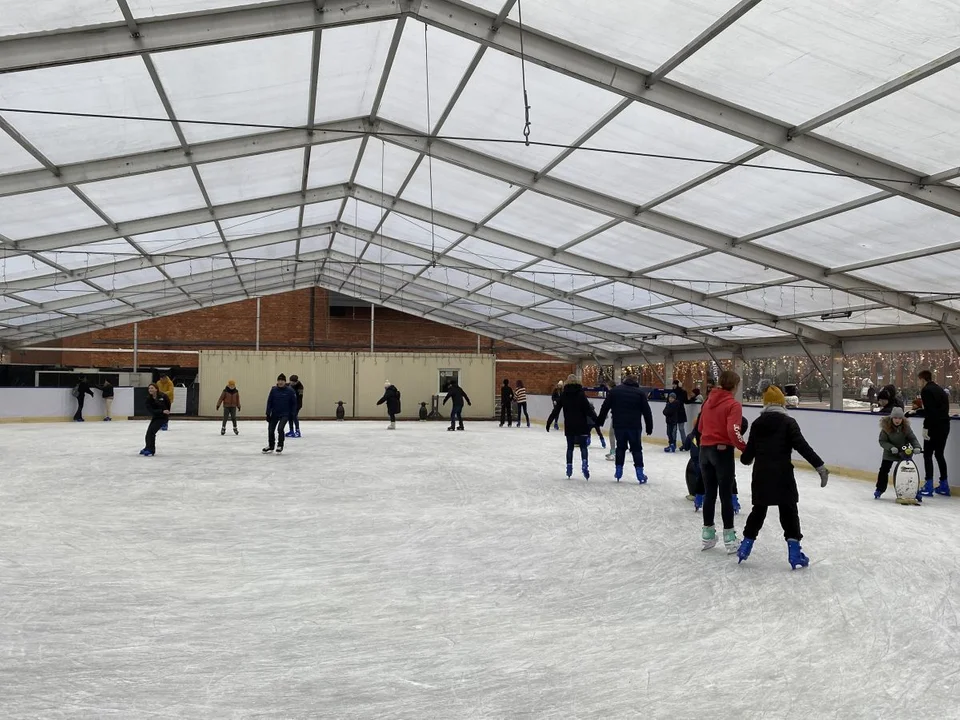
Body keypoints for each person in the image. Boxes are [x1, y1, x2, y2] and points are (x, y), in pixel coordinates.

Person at [736, 384, 829, 569]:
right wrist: (820, 466)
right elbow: (803, 446)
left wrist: (744, 457)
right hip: (783, 474)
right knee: (788, 511)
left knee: (759, 510)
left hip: (761, 474)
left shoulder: (757, 424)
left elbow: (747, 457)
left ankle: (745, 547)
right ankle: (794, 553)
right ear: (782, 403)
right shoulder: (788, 423)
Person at [696, 369, 747, 553]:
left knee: (710, 493)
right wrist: (745, 449)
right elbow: (733, 431)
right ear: (734, 385)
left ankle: (708, 535)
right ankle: (730, 537)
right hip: (722, 452)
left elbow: (700, 427)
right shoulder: (733, 405)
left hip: (704, 450)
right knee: (725, 495)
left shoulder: (708, 401)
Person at [595, 373, 654, 483]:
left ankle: (618, 471)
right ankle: (640, 474)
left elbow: (605, 406)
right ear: (636, 382)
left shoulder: (615, 391)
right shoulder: (640, 393)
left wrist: (600, 421)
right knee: (636, 449)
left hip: (619, 425)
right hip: (634, 426)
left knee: (620, 448)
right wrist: (649, 427)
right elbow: (647, 411)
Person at [546, 375, 600, 480]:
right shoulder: (581, 394)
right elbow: (589, 410)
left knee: (570, 448)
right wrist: (597, 420)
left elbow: (556, 409)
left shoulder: (564, 395)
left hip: (570, 425)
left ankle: (569, 467)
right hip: (582, 424)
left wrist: (549, 421)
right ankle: (584, 464)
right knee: (583, 447)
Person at [875, 407, 921, 500]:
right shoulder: (886, 428)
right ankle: (880, 489)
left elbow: (913, 438)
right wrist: (891, 447)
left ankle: (914, 491)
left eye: (900, 418)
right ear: (891, 418)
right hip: (890, 453)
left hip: (904, 452)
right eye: (895, 418)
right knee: (884, 470)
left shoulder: (906, 428)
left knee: (909, 471)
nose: (897, 420)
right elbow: (882, 441)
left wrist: (917, 447)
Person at [918, 370, 951, 496]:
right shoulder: (940, 389)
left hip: (933, 427)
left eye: (919, 380)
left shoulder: (926, 391)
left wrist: (926, 428)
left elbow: (930, 412)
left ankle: (929, 485)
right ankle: (944, 484)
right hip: (944, 426)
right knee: (939, 454)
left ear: (922, 379)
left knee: (927, 454)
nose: (919, 383)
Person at [263, 374, 296, 453]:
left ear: (285, 382)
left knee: (280, 428)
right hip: (275, 413)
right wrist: (268, 413)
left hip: (285, 414)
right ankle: (271, 446)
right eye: (279, 380)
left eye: (282, 381)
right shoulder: (274, 390)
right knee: (270, 430)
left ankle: (280, 445)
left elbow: (294, 403)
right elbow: (269, 401)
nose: (280, 382)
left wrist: (292, 414)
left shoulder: (290, 391)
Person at [140, 383, 170, 457]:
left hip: (162, 418)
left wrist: (166, 412)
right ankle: (147, 447)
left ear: (156, 389)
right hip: (156, 417)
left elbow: (168, 405)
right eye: (149, 388)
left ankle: (151, 450)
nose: (150, 389)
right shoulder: (148, 399)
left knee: (151, 432)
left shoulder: (163, 396)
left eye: (152, 388)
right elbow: (151, 410)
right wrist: (161, 411)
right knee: (149, 433)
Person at [671, 379, 689, 444]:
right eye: (673, 384)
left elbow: (686, 401)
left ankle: (684, 444)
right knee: (674, 429)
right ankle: (673, 443)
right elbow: (669, 401)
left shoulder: (683, 392)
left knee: (681, 429)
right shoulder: (672, 392)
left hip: (680, 412)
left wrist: (693, 399)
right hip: (674, 413)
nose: (673, 385)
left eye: (675, 384)